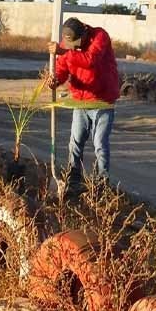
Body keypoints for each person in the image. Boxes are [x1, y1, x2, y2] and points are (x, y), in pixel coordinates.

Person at [47, 17, 120, 195]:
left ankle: (101, 184)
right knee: (75, 143)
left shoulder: (100, 37)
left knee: (99, 143)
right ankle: (73, 181)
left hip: (102, 101)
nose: (74, 47)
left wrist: (63, 51)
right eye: (70, 44)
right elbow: (63, 69)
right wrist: (55, 79)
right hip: (80, 101)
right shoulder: (68, 45)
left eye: (77, 43)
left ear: (84, 33)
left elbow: (90, 60)